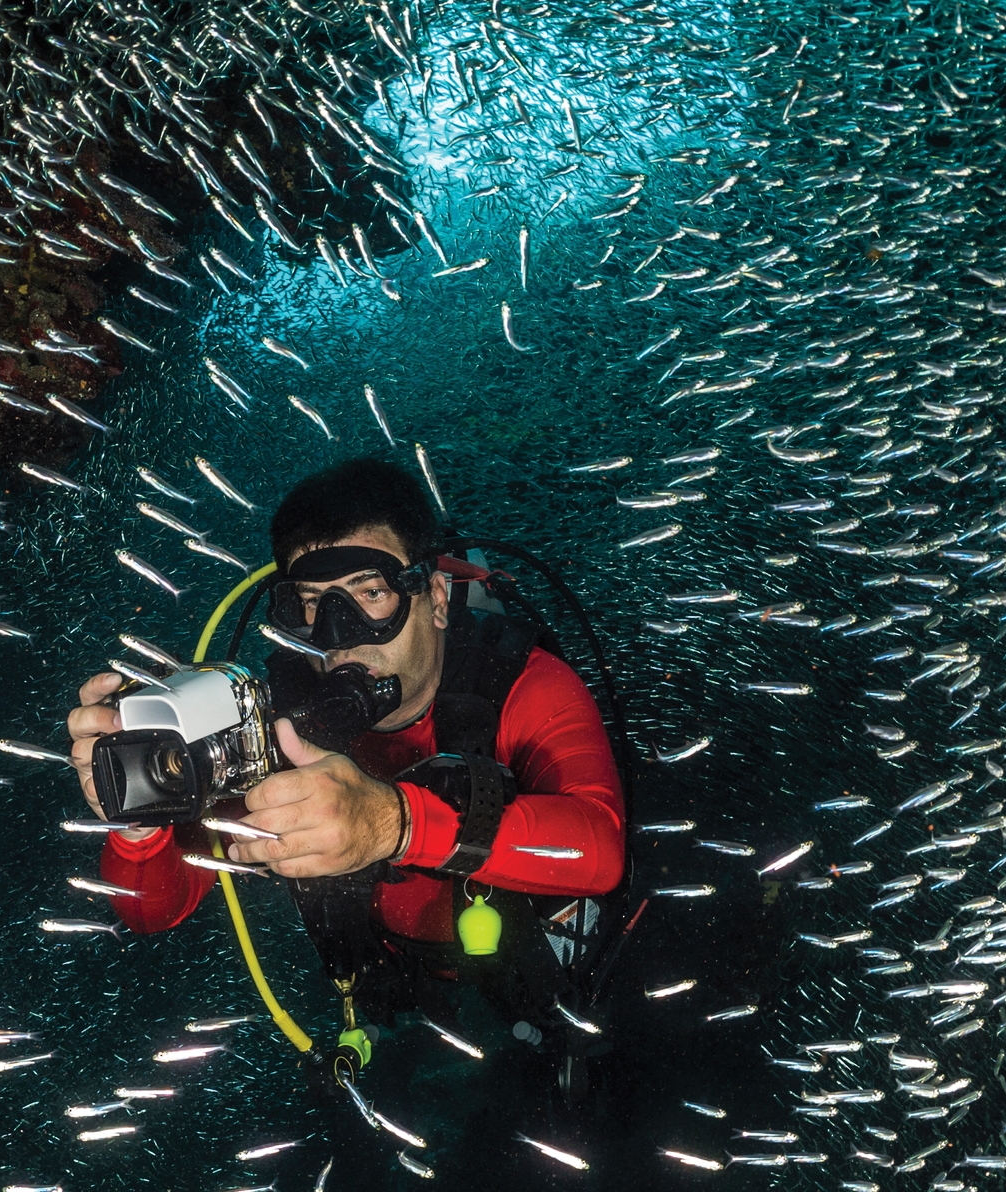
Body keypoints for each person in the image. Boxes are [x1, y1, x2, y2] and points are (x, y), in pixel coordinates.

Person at [64, 457, 630, 1074]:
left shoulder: (525, 686)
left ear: (436, 598)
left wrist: (393, 825)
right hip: (395, 981)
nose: (341, 636)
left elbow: (599, 850)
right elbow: (150, 911)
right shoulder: (266, 729)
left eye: (371, 593)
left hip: (549, 966)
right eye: (312, 604)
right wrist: (139, 818)